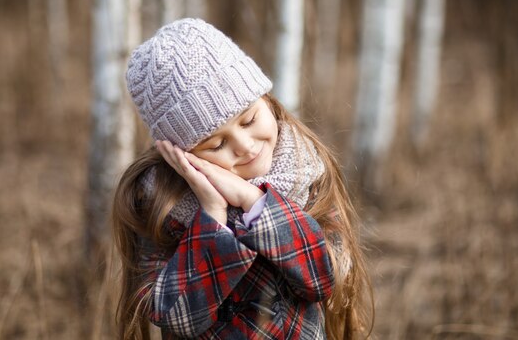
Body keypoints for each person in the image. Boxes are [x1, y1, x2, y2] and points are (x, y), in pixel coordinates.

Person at [112, 18, 373, 339]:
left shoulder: (305, 171)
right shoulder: (163, 204)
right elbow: (173, 316)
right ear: (182, 156)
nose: (246, 146)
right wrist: (213, 217)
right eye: (217, 144)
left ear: (266, 99)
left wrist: (256, 204)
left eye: (249, 119)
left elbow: (329, 277)